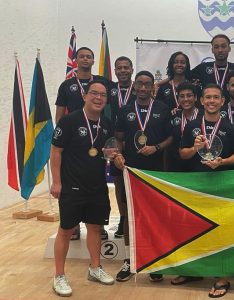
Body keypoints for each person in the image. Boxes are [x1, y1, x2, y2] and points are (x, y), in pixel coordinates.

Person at [50, 80, 115, 297]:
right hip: (72, 186)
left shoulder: (106, 123)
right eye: (94, 93)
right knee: (66, 230)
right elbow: (56, 151)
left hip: (97, 186)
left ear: (106, 100)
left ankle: (95, 268)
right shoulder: (69, 121)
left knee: (95, 227)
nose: (98, 98)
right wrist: (57, 182)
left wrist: (112, 155)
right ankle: (59, 275)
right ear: (85, 96)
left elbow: (100, 149)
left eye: (103, 95)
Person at [179, 83, 234, 297]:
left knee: (220, 231)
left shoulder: (231, 128)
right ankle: (194, 271)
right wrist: (194, 148)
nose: (212, 101)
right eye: (208, 97)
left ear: (222, 101)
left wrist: (223, 162)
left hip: (221, 185)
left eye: (216, 97)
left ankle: (222, 277)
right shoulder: (191, 127)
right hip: (196, 186)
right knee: (195, 229)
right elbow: (182, 155)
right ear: (202, 100)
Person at [113, 70, 173, 282]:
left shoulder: (163, 109)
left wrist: (156, 147)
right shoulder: (125, 110)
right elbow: (118, 138)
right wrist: (118, 154)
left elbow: (171, 138)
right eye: (140, 83)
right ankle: (130, 260)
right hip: (131, 171)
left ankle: (155, 259)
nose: (143, 88)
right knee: (130, 215)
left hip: (156, 172)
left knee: (155, 215)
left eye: (148, 84)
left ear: (152, 87)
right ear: (135, 86)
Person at [55, 46, 110, 241]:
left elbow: (124, 88)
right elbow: (60, 112)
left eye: (89, 56)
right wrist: (61, 131)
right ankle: (73, 225)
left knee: (95, 179)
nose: (86, 59)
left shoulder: (102, 83)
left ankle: (97, 224)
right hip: (74, 137)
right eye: (82, 56)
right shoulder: (66, 85)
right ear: (76, 60)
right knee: (73, 182)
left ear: (93, 61)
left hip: (95, 136)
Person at [109, 56, 136, 239]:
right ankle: (123, 218)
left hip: (136, 144)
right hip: (114, 141)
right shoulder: (109, 90)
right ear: (115, 70)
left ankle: (136, 217)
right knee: (118, 181)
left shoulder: (141, 88)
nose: (123, 70)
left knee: (135, 181)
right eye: (120, 68)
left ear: (132, 69)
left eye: (126, 67)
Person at [191, 34, 234, 101]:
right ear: (212, 50)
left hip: (231, 110)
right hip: (208, 109)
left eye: (223, 46)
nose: (220, 50)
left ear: (229, 48)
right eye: (216, 47)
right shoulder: (202, 68)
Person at [166, 81, 203, 172]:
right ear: (178, 99)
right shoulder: (174, 115)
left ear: (195, 98)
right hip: (176, 166)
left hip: (199, 166)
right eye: (182, 96)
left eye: (189, 95)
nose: (185, 99)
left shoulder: (204, 116)